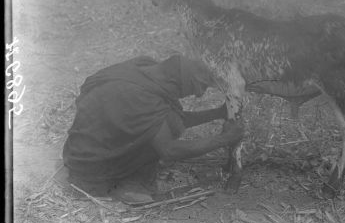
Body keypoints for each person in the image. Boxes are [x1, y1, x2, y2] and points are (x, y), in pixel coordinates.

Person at [62, 55, 243, 202]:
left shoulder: (145, 67)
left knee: (167, 124)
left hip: (84, 147)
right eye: (199, 86)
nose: (199, 94)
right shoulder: (143, 97)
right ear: (179, 81)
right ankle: (127, 184)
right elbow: (169, 150)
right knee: (158, 141)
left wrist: (217, 113)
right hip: (90, 165)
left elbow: (169, 120)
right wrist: (224, 139)